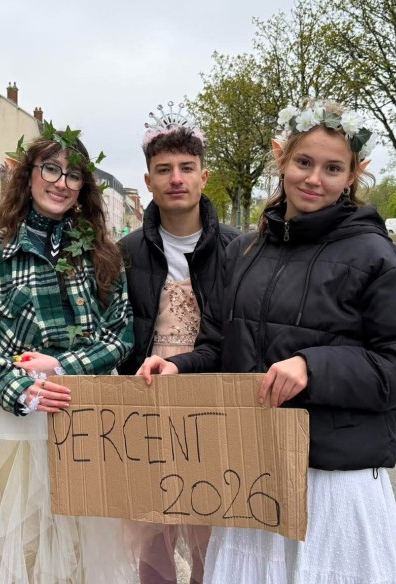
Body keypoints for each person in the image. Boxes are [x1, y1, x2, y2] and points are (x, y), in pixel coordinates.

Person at [139, 99, 396, 584]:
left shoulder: (380, 260)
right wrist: (179, 368)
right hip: (257, 472)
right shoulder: (246, 252)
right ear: (281, 157)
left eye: (333, 168)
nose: (315, 179)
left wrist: (313, 367)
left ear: (355, 173)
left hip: (333, 482)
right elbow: (219, 345)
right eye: (304, 162)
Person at [0, 125, 135, 583]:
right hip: (18, 424)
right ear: (29, 176)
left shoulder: (102, 253)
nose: (60, 182)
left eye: (73, 176)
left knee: (83, 549)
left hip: (84, 414)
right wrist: (24, 390)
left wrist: (60, 368)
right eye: (50, 169)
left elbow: (120, 337)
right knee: (24, 549)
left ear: (83, 188)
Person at [118, 103, 240, 584]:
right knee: (151, 523)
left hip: (211, 393)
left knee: (213, 520)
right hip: (147, 396)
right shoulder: (126, 252)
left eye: (186, 168)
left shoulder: (239, 249)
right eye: (163, 170)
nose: (176, 179)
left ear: (204, 176)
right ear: (147, 181)